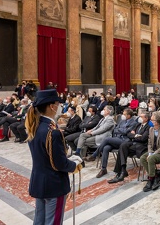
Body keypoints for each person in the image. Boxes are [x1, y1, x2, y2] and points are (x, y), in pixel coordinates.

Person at [25, 89, 81, 224]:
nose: (59, 106)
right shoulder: (53, 132)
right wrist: (76, 164)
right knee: (53, 222)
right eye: (57, 103)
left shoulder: (34, 126)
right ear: (52, 106)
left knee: (39, 221)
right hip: (54, 183)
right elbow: (59, 163)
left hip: (39, 181)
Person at [84, 108, 136, 178]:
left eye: (124, 114)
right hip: (117, 138)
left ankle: (94, 155)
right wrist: (122, 130)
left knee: (107, 139)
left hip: (124, 141)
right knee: (106, 148)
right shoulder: (122, 121)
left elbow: (125, 132)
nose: (122, 116)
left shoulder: (133, 122)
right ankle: (103, 169)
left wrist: (121, 130)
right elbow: (115, 129)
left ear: (129, 116)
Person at [108, 112, 151, 183]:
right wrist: (136, 136)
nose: (139, 118)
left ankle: (121, 172)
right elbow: (128, 134)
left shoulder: (148, 127)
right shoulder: (138, 125)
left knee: (122, 149)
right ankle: (122, 170)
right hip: (133, 144)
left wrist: (134, 135)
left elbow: (143, 138)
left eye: (141, 117)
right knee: (123, 146)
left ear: (146, 118)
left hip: (141, 147)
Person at [140, 112, 160, 192]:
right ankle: (155, 176)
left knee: (151, 159)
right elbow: (149, 143)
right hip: (153, 151)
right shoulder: (151, 129)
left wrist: (153, 154)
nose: (151, 121)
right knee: (142, 158)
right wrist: (150, 152)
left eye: (152, 120)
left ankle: (151, 179)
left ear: (157, 121)